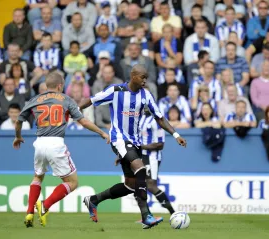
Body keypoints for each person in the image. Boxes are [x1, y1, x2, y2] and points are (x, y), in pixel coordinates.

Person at [79, 64, 187, 229]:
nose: (145, 81)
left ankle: (93, 200)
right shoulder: (116, 90)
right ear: (133, 76)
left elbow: (159, 117)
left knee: (131, 185)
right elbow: (92, 100)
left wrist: (176, 135)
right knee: (141, 170)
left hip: (135, 143)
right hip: (119, 139)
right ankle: (146, 216)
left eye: (146, 78)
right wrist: (74, 110)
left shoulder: (146, 95)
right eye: (142, 77)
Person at [12, 72, 109, 228]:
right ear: (59, 86)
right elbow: (83, 121)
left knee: (37, 177)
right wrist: (102, 132)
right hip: (56, 144)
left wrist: (17, 136)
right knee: (72, 182)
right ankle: (45, 205)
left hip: (39, 144)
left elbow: (18, 121)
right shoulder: (66, 100)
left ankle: (29, 212)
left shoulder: (34, 100)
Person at [138, 106, 176, 215]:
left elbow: (160, 144)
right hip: (141, 156)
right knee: (140, 185)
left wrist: (141, 147)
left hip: (152, 157)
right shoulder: (141, 118)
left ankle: (173, 213)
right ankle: (146, 216)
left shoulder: (157, 121)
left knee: (151, 185)